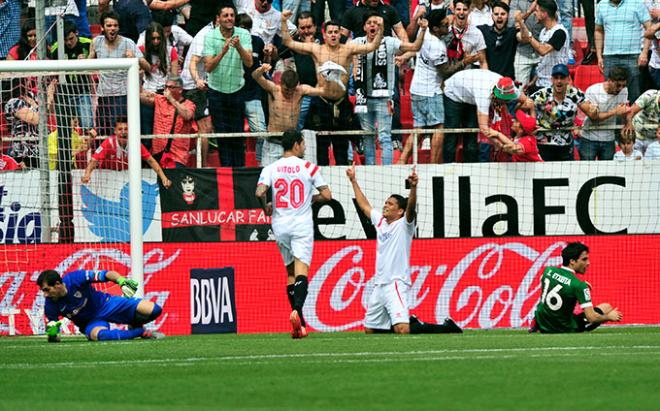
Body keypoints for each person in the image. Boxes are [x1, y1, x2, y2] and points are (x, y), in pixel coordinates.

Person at [345, 164, 462, 334]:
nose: (385, 205)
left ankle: (446, 328)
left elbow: (411, 207)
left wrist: (413, 187)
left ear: (400, 211)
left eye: (390, 204)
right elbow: (365, 207)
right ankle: (411, 320)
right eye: (385, 202)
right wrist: (353, 180)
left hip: (395, 283)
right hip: (380, 284)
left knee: (403, 329)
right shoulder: (381, 222)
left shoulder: (404, 225)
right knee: (370, 330)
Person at [280, 9, 384, 165]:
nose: (333, 35)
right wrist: (282, 21)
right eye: (330, 32)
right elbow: (288, 42)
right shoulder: (316, 49)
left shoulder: (348, 49)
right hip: (321, 104)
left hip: (342, 104)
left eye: (336, 32)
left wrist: (381, 28)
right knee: (321, 152)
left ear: (340, 34)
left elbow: (373, 46)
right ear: (324, 34)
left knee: (341, 151)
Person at [255, 129, 332, 338]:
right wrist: (311, 199)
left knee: (289, 273)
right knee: (301, 273)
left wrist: (265, 207)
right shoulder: (309, 167)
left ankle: (301, 326)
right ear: (297, 144)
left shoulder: (271, 168)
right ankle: (297, 311)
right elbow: (327, 195)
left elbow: (259, 192)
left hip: (280, 225)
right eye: (303, 144)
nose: (305, 147)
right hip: (301, 225)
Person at [353, 13, 428, 165]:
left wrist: (423, 30)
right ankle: (370, 172)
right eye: (369, 23)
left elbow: (415, 47)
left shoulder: (390, 42)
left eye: (376, 22)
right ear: (364, 27)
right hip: (364, 99)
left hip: (384, 99)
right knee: (368, 137)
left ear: (382, 27)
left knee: (384, 137)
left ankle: (386, 172)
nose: (373, 25)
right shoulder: (357, 43)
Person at [37, 269, 165, 342]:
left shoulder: (75, 278)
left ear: (58, 284)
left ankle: (134, 324)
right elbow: (54, 337)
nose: (46, 295)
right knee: (102, 336)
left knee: (154, 310)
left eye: (47, 290)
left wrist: (121, 281)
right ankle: (140, 332)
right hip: (90, 322)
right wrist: (52, 335)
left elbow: (106, 274)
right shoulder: (51, 305)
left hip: (106, 304)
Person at [443, 69, 533, 163]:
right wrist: (502, 145)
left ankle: (471, 168)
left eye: (508, 100)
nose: (505, 102)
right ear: (496, 94)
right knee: (452, 132)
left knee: (471, 135)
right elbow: (484, 128)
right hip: (453, 93)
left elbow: (528, 102)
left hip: (471, 92)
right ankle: (448, 167)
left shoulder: (511, 88)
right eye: (503, 100)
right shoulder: (484, 95)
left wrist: (519, 114)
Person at [530, 242, 623, 333]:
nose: (588, 263)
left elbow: (554, 284)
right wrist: (609, 317)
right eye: (584, 259)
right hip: (564, 328)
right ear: (572, 261)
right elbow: (591, 317)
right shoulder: (579, 285)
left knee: (605, 307)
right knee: (607, 308)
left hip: (542, 322)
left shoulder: (548, 271)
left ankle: (536, 325)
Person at [203, 4, 253, 167]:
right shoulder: (210, 36)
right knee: (223, 136)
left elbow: (249, 62)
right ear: (219, 18)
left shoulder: (243, 34)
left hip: (237, 91)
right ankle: (227, 171)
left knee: (238, 135)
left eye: (232, 15)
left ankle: (239, 170)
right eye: (225, 15)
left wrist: (238, 46)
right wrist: (223, 51)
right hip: (216, 92)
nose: (229, 18)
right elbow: (208, 67)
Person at [89, 10, 150, 136]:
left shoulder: (128, 43)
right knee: (102, 132)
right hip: (103, 96)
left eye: (115, 26)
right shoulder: (96, 42)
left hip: (122, 95)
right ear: (102, 27)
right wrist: (82, 61)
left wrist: (135, 58)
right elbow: (89, 62)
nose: (112, 29)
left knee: (118, 132)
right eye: (109, 26)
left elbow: (147, 66)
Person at [251, 64, 326, 166]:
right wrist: (262, 69)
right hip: (273, 143)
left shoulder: (300, 91)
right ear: (280, 83)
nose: (289, 93)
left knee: (298, 177)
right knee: (266, 176)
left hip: (292, 145)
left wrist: (327, 79)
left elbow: (323, 91)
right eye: (286, 90)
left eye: (292, 90)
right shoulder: (274, 90)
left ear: (297, 85)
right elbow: (255, 76)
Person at [530, 63, 598, 161]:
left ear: (568, 79)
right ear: (551, 79)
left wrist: (594, 111)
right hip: (544, 143)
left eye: (562, 78)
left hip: (565, 143)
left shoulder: (575, 94)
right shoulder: (542, 94)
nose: (559, 81)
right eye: (556, 77)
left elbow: (592, 113)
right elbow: (523, 105)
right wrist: (531, 122)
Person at [81, 117, 172, 188]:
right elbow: (94, 160)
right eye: (120, 129)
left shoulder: (135, 144)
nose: (123, 132)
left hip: (127, 179)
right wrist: (87, 174)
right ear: (115, 131)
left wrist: (163, 178)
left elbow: (151, 161)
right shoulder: (109, 143)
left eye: (126, 129)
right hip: (108, 180)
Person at [595, 0, 652, 103]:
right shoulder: (601, 5)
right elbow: (598, 30)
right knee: (609, 95)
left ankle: (633, 119)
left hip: (633, 56)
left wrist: (644, 52)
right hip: (609, 56)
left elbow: (649, 28)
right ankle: (611, 118)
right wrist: (599, 56)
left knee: (634, 95)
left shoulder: (636, 3)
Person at [140, 75, 197, 168]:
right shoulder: (159, 99)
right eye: (166, 87)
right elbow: (139, 95)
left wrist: (172, 99)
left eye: (171, 87)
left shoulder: (189, 104)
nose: (167, 89)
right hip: (158, 153)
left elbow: (187, 115)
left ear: (180, 90)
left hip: (177, 156)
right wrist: (139, 77)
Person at [579, 66, 631, 161]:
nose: (620, 88)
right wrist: (614, 111)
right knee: (586, 171)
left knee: (607, 174)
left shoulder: (624, 91)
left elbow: (624, 110)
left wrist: (628, 122)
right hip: (589, 138)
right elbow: (593, 117)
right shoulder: (593, 90)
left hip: (609, 139)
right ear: (609, 80)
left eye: (623, 85)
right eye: (618, 85)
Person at [517, 0, 569, 91]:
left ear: (544, 14)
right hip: (540, 83)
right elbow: (544, 61)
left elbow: (543, 51)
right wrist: (533, 81)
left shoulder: (560, 32)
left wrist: (528, 34)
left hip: (553, 86)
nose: (534, 14)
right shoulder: (543, 31)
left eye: (536, 11)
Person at [479, 2, 518, 79]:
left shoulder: (513, 32)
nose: (499, 16)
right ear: (492, 16)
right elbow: (468, 30)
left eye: (503, 14)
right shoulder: (484, 30)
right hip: (489, 79)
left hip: (507, 80)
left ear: (508, 16)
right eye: (496, 14)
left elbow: (525, 38)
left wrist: (520, 22)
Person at [623, 89, 659, 154]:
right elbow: (631, 112)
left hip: (655, 140)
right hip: (637, 136)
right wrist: (629, 124)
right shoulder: (650, 95)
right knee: (635, 162)